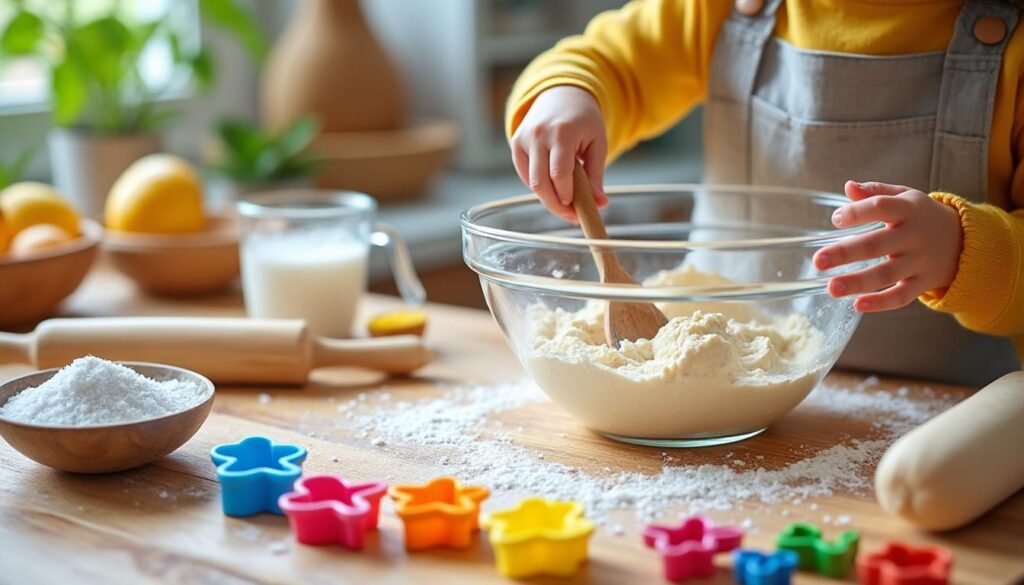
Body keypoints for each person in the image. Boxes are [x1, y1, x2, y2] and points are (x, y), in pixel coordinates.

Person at [504, 0, 1023, 387]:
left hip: (946, 412)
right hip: (712, 388)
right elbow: (609, 60)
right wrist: (568, 92)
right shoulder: (725, 9)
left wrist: (962, 253)